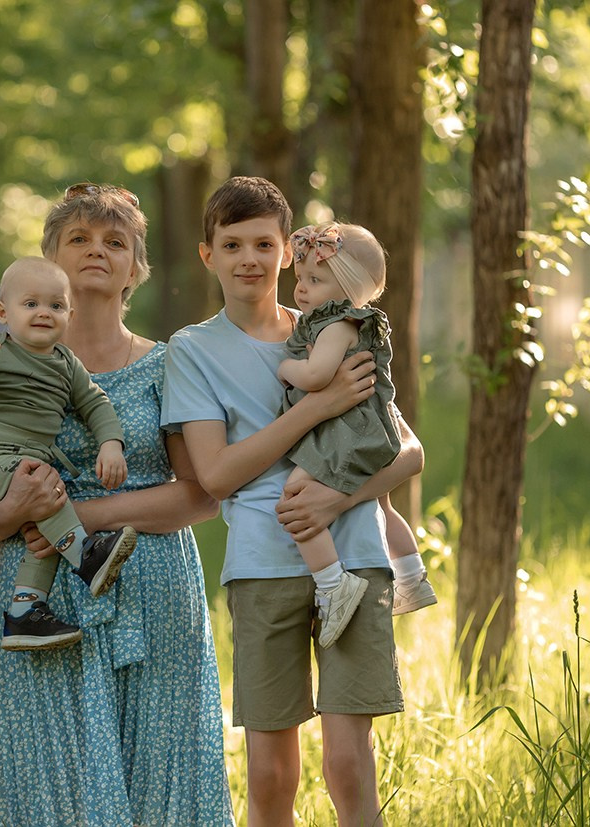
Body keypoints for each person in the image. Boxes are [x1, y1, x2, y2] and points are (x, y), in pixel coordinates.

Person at [164, 176, 424, 827]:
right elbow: (217, 474)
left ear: (287, 252)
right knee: (271, 773)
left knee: (347, 761)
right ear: (209, 254)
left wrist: (337, 503)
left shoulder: (334, 324)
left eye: (263, 243)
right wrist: (318, 404)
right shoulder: (193, 350)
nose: (248, 258)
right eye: (232, 244)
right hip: (262, 565)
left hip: (355, 555)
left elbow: (408, 451)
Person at [0, 182, 234, 826]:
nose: (97, 250)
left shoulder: (170, 363)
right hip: (38, 597)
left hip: (152, 585)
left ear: (135, 269)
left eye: (115, 241)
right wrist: (22, 516)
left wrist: (86, 517)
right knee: (45, 774)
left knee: (161, 774)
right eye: (79, 239)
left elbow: (200, 494)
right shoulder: (2, 369)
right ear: (48, 261)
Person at [0, 255, 138, 651]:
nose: (43, 313)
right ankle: (86, 557)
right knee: (43, 489)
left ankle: (25, 612)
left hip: (28, 470)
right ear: (3, 312)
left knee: (47, 507)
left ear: (70, 313)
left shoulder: (67, 364)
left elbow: (96, 404)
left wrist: (111, 443)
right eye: (30, 304)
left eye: (55, 305)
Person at [277, 221, 437, 648]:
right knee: (382, 502)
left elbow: (317, 375)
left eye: (315, 280)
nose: (301, 290)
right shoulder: (363, 322)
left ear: (346, 288)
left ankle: (332, 585)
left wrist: (287, 368)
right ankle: (411, 575)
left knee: (294, 495)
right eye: (300, 279)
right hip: (374, 429)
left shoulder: (336, 325)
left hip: (346, 431)